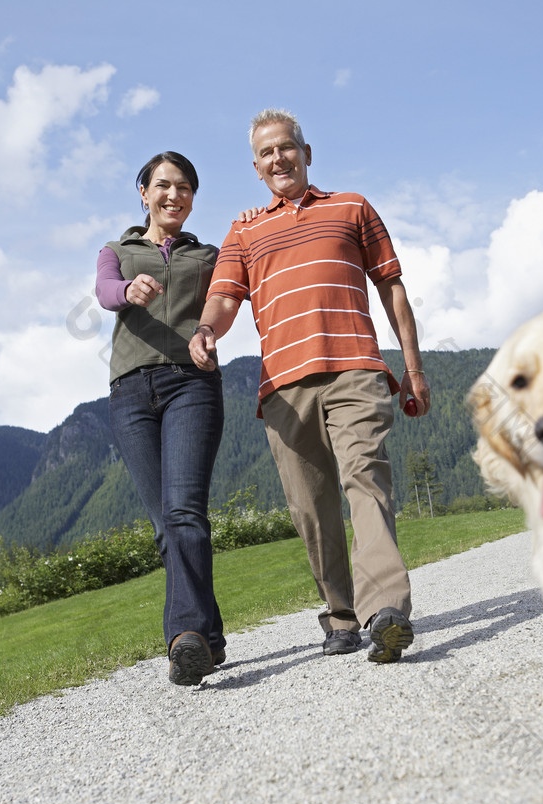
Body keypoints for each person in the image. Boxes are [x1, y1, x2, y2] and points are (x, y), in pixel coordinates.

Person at [189, 109, 431, 663]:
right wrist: (206, 330)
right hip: (283, 386)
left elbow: (393, 290)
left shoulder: (352, 207)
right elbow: (224, 299)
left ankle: (385, 610)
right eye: (267, 153)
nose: (279, 158)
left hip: (356, 369)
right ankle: (341, 616)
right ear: (256, 167)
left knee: (365, 480)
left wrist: (413, 371)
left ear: (306, 151)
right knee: (310, 508)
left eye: (287, 147)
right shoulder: (244, 229)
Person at [95, 151, 225, 686]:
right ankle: (207, 638)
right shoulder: (116, 250)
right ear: (144, 193)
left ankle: (183, 640)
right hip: (130, 395)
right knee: (163, 524)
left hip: (191, 386)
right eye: (164, 186)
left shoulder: (209, 255)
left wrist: (209, 332)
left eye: (186, 188)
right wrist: (129, 290)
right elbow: (104, 291)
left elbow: (228, 301)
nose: (175, 196)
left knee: (184, 513)